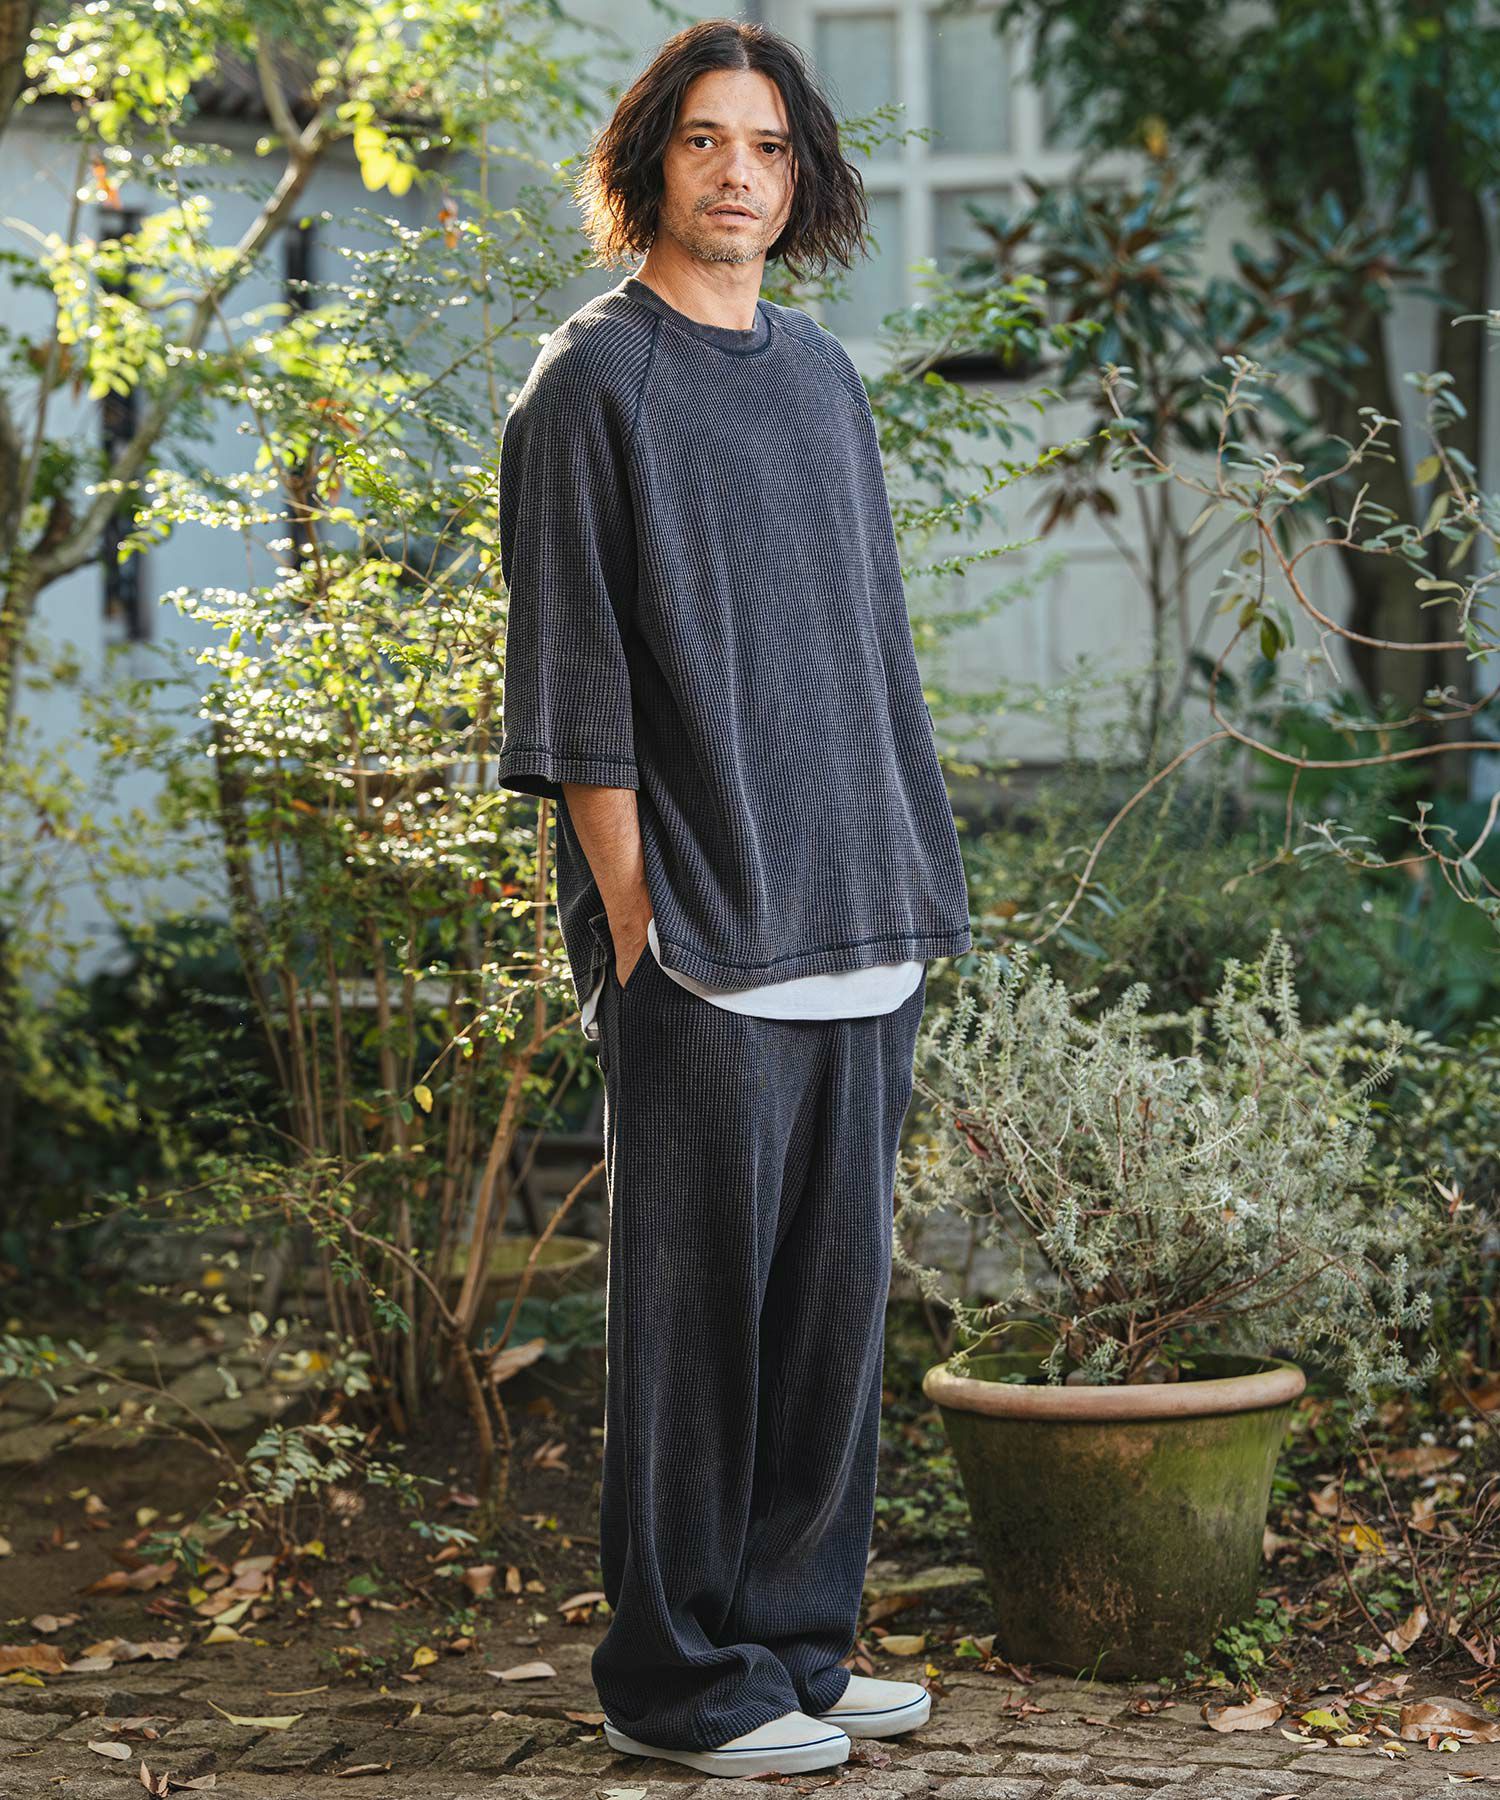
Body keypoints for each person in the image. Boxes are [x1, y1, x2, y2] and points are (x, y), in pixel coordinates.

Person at [494, 16, 972, 1781]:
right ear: (650, 162)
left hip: (856, 914)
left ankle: (793, 1645)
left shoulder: (822, 375)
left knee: (831, 1319)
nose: (739, 176)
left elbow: (865, 648)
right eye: (706, 141)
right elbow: (575, 678)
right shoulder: (591, 385)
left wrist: (908, 873)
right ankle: (678, 1680)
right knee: (695, 1333)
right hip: (698, 934)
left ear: (803, 176)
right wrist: (635, 919)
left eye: (768, 147)